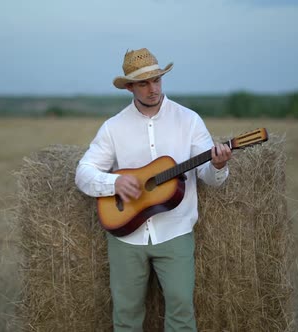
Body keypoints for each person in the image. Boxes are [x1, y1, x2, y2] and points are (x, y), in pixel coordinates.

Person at [74, 48, 232, 331]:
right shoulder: (113, 128)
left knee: (182, 314)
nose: (153, 89)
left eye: (156, 80)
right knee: (126, 316)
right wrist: (115, 182)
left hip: (175, 232)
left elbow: (207, 175)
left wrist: (218, 166)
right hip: (126, 237)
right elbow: (83, 174)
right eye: (144, 83)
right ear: (130, 87)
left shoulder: (189, 120)